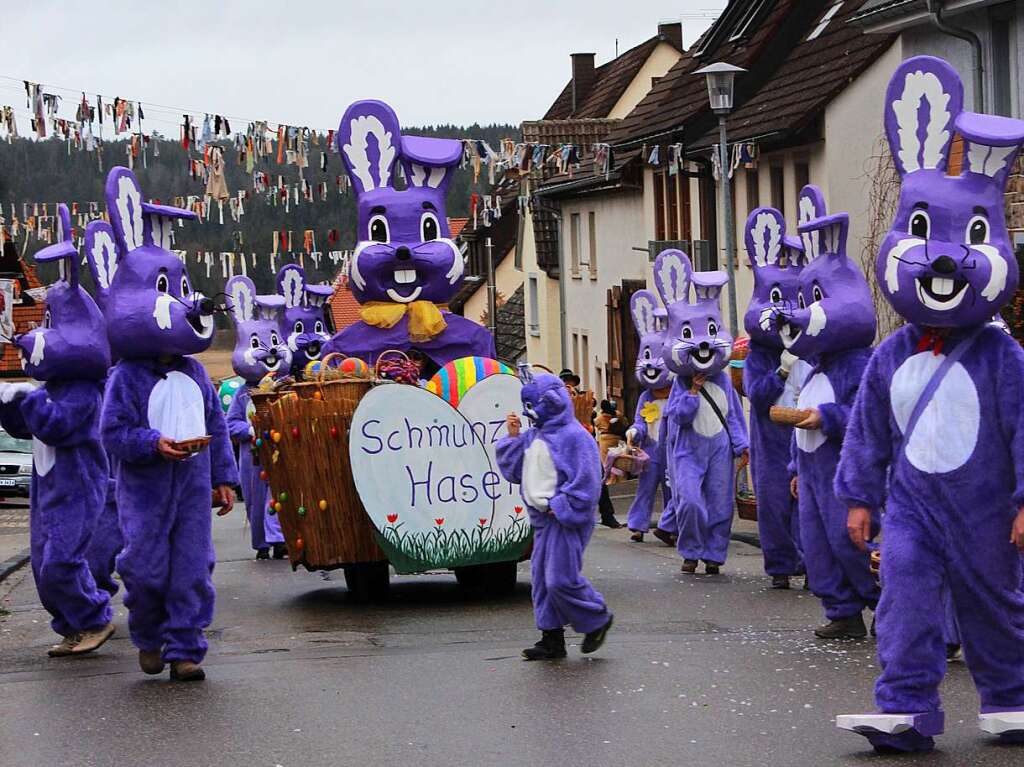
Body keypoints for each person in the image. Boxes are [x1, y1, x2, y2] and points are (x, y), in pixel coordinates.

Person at [496, 369, 613, 660]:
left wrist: (561, 507)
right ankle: (551, 639)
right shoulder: (534, 435)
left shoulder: (575, 436)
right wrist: (512, 439)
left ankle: (596, 618)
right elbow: (513, 472)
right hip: (542, 520)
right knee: (541, 579)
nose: (531, 412)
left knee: (560, 579)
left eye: (535, 405)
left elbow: (587, 480)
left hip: (564, 519)